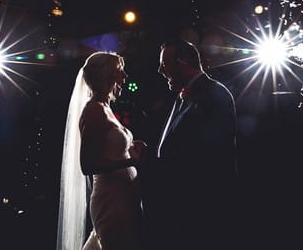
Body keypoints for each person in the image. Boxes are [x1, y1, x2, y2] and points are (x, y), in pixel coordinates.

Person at [141, 39, 238, 250]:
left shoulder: (215, 94)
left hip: (202, 205)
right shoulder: (182, 95)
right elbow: (179, 142)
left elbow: (209, 155)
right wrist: (153, 154)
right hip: (181, 205)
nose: (159, 70)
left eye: (164, 64)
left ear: (182, 63)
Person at [56, 52, 146, 250]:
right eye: (120, 72)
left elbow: (109, 149)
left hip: (125, 196)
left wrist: (130, 148)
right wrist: (132, 162)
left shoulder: (106, 107)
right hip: (111, 200)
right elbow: (88, 165)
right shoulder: (93, 111)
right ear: (107, 76)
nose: (124, 77)